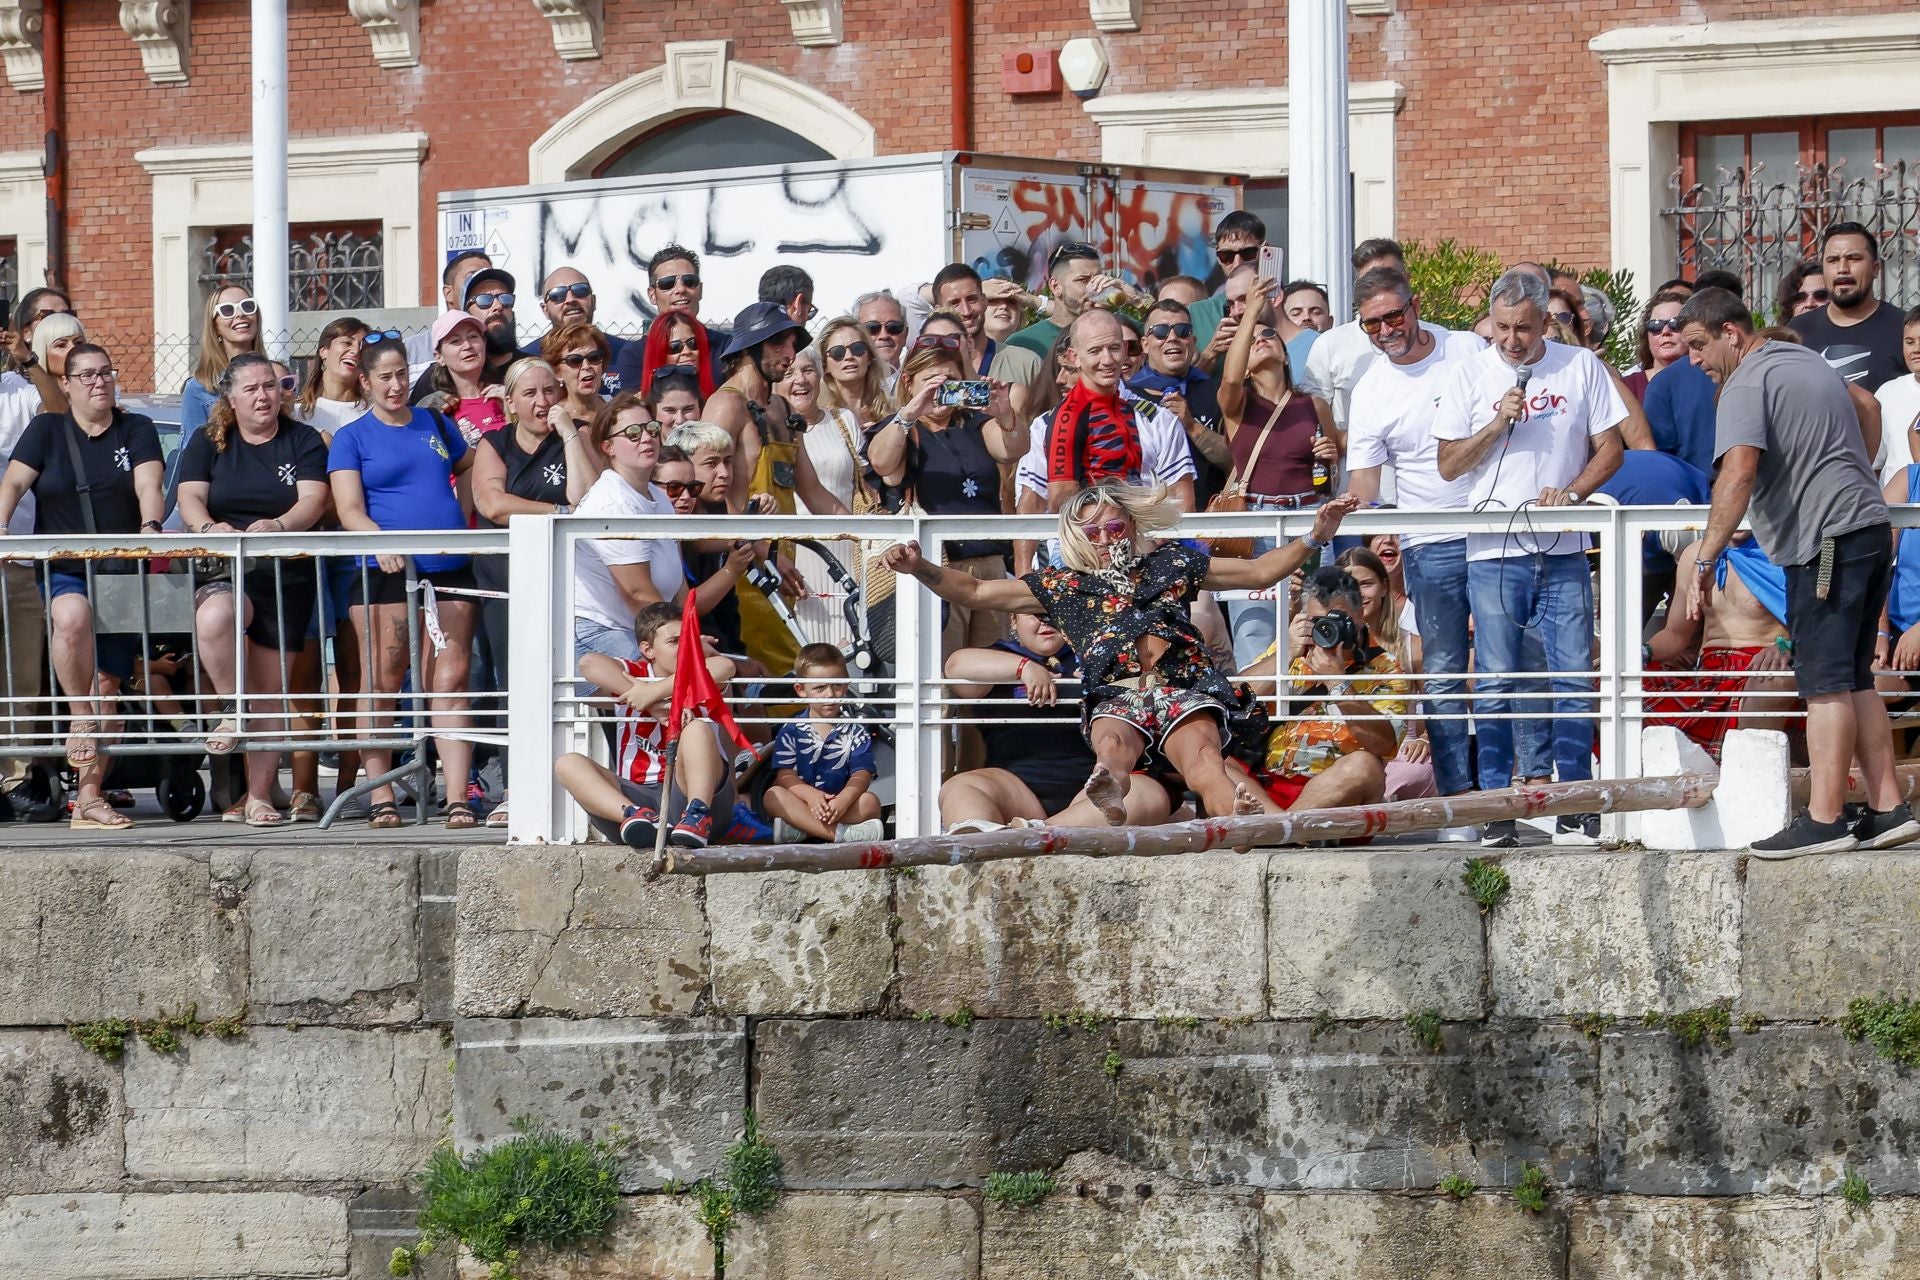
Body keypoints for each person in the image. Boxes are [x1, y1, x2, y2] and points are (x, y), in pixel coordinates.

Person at [884, 480, 1358, 823]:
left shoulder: (1171, 563)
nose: (1107, 540)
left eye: (1114, 527)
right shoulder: (1065, 585)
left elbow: (1258, 572)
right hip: (1118, 690)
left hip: (1182, 683)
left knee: (1205, 763)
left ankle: (1237, 814)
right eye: (1093, 534)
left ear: (1131, 524)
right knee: (1111, 747)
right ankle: (1109, 788)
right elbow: (976, 592)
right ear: (1076, 541)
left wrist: (1317, 534)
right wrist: (919, 566)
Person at [1681, 285, 1916, 856]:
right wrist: (1845, 468)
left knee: (1825, 681)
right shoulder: (1806, 358)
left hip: (1825, 542)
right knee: (1854, 675)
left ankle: (1825, 819)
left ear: (1730, 333)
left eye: (1696, 345)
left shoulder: (1746, 379)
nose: (1693, 361)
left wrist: (1705, 557)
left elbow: (1737, 475)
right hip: (1864, 527)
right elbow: (1868, 407)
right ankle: (1888, 810)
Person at [1434, 268, 1626, 848]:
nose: (1512, 340)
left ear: (1546, 320)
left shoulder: (1580, 366)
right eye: (1502, 328)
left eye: (1523, 328)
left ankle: (1575, 802)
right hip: (1492, 550)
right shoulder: (1468, 372)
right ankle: (1497, 806)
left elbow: (1612, 448)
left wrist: (1572, 493)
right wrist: (1498, 421)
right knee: (1494, 678)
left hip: (1563, 547)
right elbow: (1448, 464)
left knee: (1572, 675)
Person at [0, 341, 164, 831]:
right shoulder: (48, 429)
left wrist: (151, 526)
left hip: (119, 570)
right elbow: (12, 483)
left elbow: (149, 485)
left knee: (109, 685)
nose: (99, 382)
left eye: (106, 373)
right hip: (66, 567)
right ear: (66, 385)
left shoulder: (137, 428)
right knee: (70, 618)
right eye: (87, 375)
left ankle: (90, 798)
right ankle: (80, 716)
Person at [1343, 266, 1486, 808]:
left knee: (1507, 665)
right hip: (1428, 541)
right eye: (1371, 323)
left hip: (1496, 531)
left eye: (1393, 315)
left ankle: (1520, 790)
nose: (1385, 330)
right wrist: (1347, 511)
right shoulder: (1372, 388)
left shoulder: (1469, 348)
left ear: (1415, 305)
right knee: (1443, 674)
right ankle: (1460, 800)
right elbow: (1366, 480)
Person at [329, 330, 481, 831]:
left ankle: (458, 796)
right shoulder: (353, 438)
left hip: (448, 567)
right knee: (382, 680)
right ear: (366, 382)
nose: (395, 386)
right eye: (385, 378)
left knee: (451, 680)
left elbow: (470, 471)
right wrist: (382, 542)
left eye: (401, 375)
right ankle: (381, 794)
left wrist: (459, 522)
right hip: (386, 574)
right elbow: (349, 509)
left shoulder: (435, 421)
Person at [175, 352, 331, 825]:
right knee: (217, 617)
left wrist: (280, 524)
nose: (264, 396)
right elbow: (189, 496)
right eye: (252, 388)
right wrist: (206, 529)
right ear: (231, 396)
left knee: (269, 689)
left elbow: (314, 499)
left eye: (272, 386)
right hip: (225, 566)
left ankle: (260, 795)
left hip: (285, 573)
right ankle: (232, 706)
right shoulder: (210, 441)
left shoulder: (302, 439)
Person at [472, 357, 594, 828]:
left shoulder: (575, 435)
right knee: (512, 679)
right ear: (510, 402)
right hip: (505, 580)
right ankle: (514, 787)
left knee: (565, 679)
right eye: (531, 394)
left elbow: (586, 498)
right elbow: (493, 502)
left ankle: (572, 783)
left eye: (550, 391)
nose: (542, 402)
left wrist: (568, 436)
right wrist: (555, 510)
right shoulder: (495, 442)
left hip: (568, 579)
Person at [939, 611, 1175, 832]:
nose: (1044, 621)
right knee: (960, 787)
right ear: (1013, 620)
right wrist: (1023, 667)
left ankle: (1032, 835)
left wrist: (1104, 678)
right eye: (1032, 613)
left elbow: (1155, 685)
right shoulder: (996, 656)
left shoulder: (1099, 654)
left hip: (1096, 787)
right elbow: (955, 666)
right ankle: (980, 847)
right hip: (1016, 789)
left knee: (1149, 795)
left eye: (1052, 610)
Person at [865, 340, 1025, 653]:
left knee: (992, 669)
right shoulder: (898, 428)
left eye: (950, 382)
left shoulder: (976, 423)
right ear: (909, 383)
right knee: (941, 669)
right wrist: (912, 411)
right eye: (932, 382)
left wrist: (1006, 415)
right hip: (936, 565)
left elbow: (1014, 449)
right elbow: (881, 462)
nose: (941, 391)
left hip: (990, 565)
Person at [1217, 277, 1343, 671]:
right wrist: (1253, 311)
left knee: (1319, 623)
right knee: (1255, 631)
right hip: (1256, 525)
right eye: (1250, 339)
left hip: (1311, 518)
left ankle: (1311, 716)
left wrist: (1330, 455)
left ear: (1287, 355)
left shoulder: (1314, 405)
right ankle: (1260, 719)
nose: (1260, 339)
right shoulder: (1237, 406)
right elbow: (1231, 379)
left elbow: (1330, 470)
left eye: (1269, 334)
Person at [555, 601, 737, 849]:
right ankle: (634, 815)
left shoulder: (703, 671)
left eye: (690, 639)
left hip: (691, 793)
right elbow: (589, 663)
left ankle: (697, 815)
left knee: (695, 728)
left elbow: (725, 666)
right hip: (636, 797)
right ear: (648, 649)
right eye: (674, 642)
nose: (685, 647)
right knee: (567, 763)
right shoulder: (632, 675)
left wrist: (650, 694)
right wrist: (649, 703)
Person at [1240, 566, 1411, 811]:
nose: (1327, 631)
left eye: (1338, 620)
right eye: (1317, 622)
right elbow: (1235, 697)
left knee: (1364, 766)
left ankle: (1275, 828)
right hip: (1273, 783)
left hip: (1337, 792)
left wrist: (1337, 683)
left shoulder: (1385, 667)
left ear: (1360, 615)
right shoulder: (1290, 650)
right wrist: (1285, 653)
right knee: (1219, 763)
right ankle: (1286, 828)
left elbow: (1384, 746)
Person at [1645, 535, 1793, 761]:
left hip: (1760, 667)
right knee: (1600, 680)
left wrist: (1788, 646)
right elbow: (1675, 635)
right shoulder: (1696, 555)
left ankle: (1748, 775)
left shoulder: (1785, 549)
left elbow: (1816, 622)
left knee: (1771, 679)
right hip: (1707, 677)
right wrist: (1643, 653)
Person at [1045, 310, 1192, 512]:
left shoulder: (1128, 409)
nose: (1107, 360)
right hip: (1094, 535)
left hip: (1133, 531)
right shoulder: (1069, 415)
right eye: (1095, 351)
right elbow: (1060, 499)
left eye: (1114, 348)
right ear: (1074, 357)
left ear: (1125, 349)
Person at [572, 394, 682, 661]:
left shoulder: (658, 496)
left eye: (651, 428)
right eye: (632, 433)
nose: (646, 438)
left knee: (735, 673)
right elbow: (637, 593)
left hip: (648, 628)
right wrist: (685, 643)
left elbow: (680, 587)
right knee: (696, 678)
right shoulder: (613, 503)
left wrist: (689, 634)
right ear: (608, 446)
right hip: (597, 633)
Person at [1301, 239, 1442, 424]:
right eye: (1369, 280)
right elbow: (1313, 414)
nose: (1379, 285)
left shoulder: (1442, 340)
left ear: (1407, 280)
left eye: (1389, 276)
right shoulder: (1330, 344)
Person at [762, 643, 885, 842]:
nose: (829, 694)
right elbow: (785, 776)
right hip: (803, 802)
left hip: (839, 804)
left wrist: (844, 800)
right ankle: (839, 834)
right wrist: (811, 796)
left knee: (870, 803)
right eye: (819, 688)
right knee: (773, 796)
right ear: (801, 690)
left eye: (836, 685)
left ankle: (802, 830)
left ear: (846, 685)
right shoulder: (791, 730)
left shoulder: (855, 731)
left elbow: (862, 774)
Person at [1127, 298, 1232, 504]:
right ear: (1145, 344)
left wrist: (1192, 425)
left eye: (1182, 331)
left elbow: (1236, 460)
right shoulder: (1126, 397)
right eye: (1160, 332)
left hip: (1209, 525)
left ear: (1192, 341)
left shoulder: (1217, 392)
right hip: (1146, 521)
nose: (1172, 337)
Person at [169, 284, 265, 506]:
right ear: (215, 326)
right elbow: (193, 459)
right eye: (228, 310)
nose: (240, 314)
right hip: (225, 498)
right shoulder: (200, 388)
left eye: (247, 306)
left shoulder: (277, 376)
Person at [1789, 222, 1907, 391]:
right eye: (1833, 260)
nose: (1843, 269)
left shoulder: (1904, 329)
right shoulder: (1797, 331)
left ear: (1875, 269)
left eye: (1854, 259)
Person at [611, 245, 726, 392]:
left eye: (689, 281)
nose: (680, 289)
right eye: (668, 284)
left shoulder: (724, 347)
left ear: (700, 290)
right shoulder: (634, 355)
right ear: (652, 295)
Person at [1003, 241, 1148, 359]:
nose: (1095, 288)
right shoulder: (1024, 342)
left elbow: (1165, 332)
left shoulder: (1120, 330)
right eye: (1083, 280)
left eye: (1098, 279)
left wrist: (1137, 300)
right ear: (1056, 286)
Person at [1639, 288, 1717, 475]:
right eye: (1655, 325)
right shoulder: (1628, 384)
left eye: (1675, 324)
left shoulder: (1718, 371)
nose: (1665, 331)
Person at [521, 267, 631, 394]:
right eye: (557, 295)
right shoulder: (528, 360)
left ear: (593, 301)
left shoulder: (627, 354)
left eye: (580, 291)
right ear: (545, 310)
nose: (570, 299)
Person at [1184, 210, 1268, 352]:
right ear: (1218, 257)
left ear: (1266, 251)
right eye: (1226, 255)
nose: (1237, 263)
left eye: (1247, 253)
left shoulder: (1284, 305)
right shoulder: (1197, 313)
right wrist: (1212, 351)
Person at [423, 310, 506, 442]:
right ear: (439, 357)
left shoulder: (507, 395)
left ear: (484, 343)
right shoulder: (438, 410)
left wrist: (515, 406)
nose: (467, 346)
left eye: (473, 337)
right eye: (455, 341)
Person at [292, 317, 369, 434]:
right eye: (347, 343)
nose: (356, 351)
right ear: (323, 351)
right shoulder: (297, 414)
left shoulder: (374, 413)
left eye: (362, 346)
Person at [542, 319, 614, 440]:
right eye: (575, 360)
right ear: (557, 372)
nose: (586, 366)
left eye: (594, 357)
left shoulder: (617, 409)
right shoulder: (550, 418)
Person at [1872, 306, 1920, 485]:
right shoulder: (1887, 393)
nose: (1916, 349)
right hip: (1894, 508)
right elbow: (1874, 462)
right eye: (1910, 342)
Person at [814, 315, 891, 426]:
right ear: (825, 365)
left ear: (869, 357)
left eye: (857, 348)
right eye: (837, 352)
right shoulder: (819, 415)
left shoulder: (890, 410)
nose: (849, 356)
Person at [635, 308, 718, 401]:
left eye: (693, 343)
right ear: (659, 354)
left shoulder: (716, 398)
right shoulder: (642, 406)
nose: (687, 351)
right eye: (675, 347)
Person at [1279, 279, 1333, 376]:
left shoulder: (1341, 354)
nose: (1306, 317)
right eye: (1296, 313)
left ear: (1330, 322)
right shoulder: (1274, 358)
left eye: (1316, 312)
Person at [855, 290, 910, 372]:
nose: (884, 335)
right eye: (872, 327)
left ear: (905, 334)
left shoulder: (921, 382)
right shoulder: (842, 383)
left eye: (893, 327)